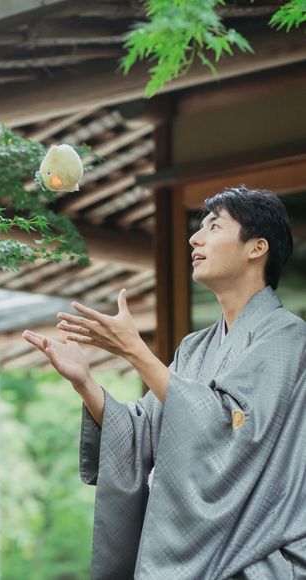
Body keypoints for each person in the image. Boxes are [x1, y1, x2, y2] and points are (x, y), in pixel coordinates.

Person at [23, 185, 306, 579]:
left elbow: (228, 428)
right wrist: (84, 382)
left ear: (257, 248)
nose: (195, 238)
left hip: (258, 558)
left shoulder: (286, 336)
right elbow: (143, 434)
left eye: (214, 227)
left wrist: (134, 351)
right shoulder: (193, 348)